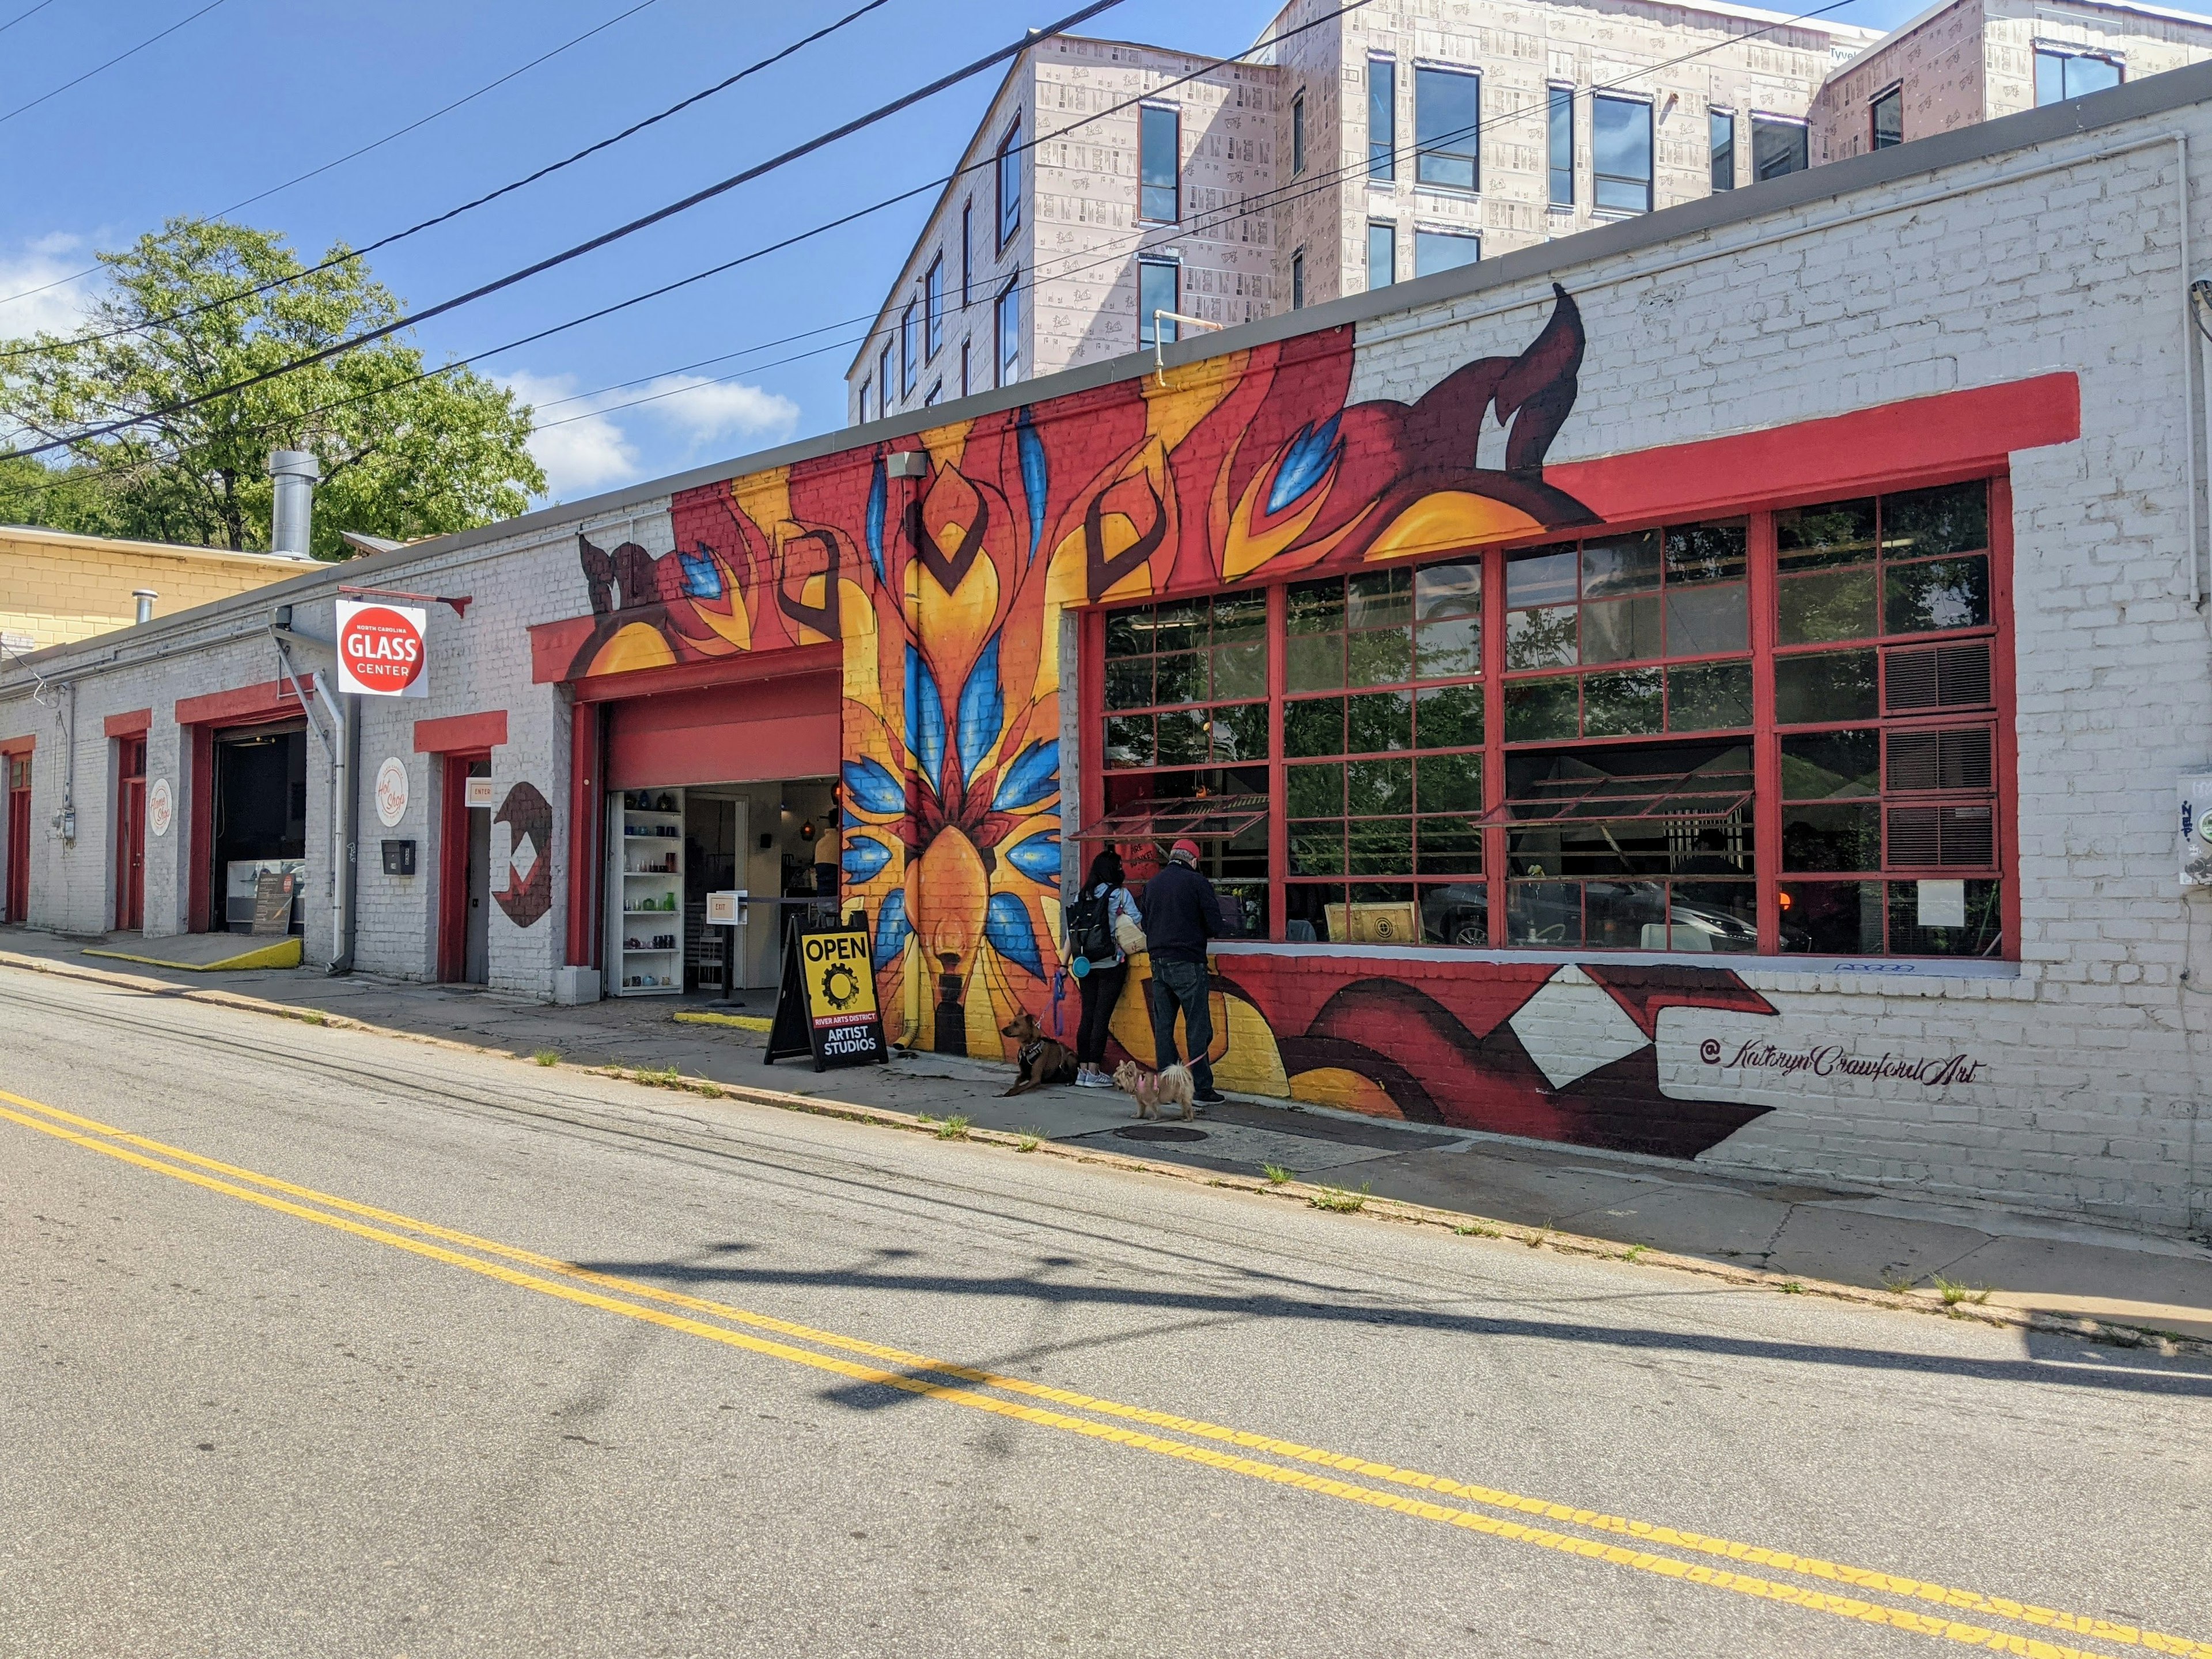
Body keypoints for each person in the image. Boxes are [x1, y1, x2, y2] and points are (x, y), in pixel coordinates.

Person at [1137, 838, 1229, 1107]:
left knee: (1164, 1027)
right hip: (1188, 962)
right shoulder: (1197, 882)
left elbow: (1145, 923)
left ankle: (1167, 1087)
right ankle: (1202, 1087)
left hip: (1158, 963)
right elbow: (1214, 925)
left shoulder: (1152, 884)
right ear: (1194, 860)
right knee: (1197, 1027)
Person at [1066, 849, 1141, 1089]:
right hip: (1111, 962)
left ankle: (1083, 1072)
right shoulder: (1120, 894)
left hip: (1085, 964)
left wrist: (1062, 963)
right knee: (1101, 1016)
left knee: (1087, 1014)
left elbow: (1073, 931)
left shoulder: (1083, 895)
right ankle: (1095, 1071)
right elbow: (1137, 921)